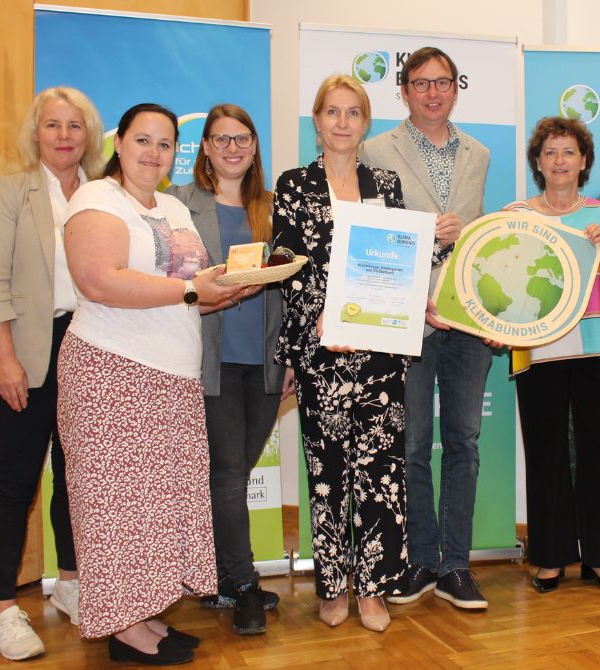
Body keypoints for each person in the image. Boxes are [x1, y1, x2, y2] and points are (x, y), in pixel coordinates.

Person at [57, 103, 243, 665]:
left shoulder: (171, 206)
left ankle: (146, 617)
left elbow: (190, 284)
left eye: (165, 144)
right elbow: (100, 280)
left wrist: (226, 288)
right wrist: (193, 293)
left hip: (170, 379)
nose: (153, 153)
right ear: (119, 143)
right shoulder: (95, 198)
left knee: (157, 509)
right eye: (142, 141)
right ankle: (124, 631)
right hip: (112, 373)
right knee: (116, 510)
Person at [0, 87, 104, 661]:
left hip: (93, 346)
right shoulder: (12, 192)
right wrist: (5, 359)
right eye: (53, 125)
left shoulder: (102, 194)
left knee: (79, 478)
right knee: (14, 481)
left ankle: (72, 584)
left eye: (75, 126)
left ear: (90, 135)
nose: (65, 136)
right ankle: (2, 609)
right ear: (36, 133)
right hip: (28, 346)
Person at [273, 74, 408, 632]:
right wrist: (321, 315)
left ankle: (373, 591)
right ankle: (333, 585)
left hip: (379, 348)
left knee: (380, 472)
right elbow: (285, 260)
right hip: (322, 347)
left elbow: (398, 260)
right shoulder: (293, 184)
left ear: (365, 121)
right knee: (326, 470)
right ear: (317, 121)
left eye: (353, 112)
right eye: (332, 111)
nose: (343, 122)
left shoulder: (386, 183)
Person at [359, 46, 493, 609]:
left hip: (463, 316)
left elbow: (481, 240)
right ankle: (419, 560)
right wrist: (423, 231)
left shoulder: (479, 153)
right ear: (404, 90)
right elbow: (369, 233)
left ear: (455, 88)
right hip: (402, 315)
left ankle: (457, 566)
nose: (432, 92)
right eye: (421, 83)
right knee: (411, 445)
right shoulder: (373, 150)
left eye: (442, 82)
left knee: (463, 441)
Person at [503, 117, 600, 595]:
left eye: (569, 152)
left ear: (584, 161)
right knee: (545, 453)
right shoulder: (515, 214)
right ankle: (550, 557)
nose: (560, 161)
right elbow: (500, 280)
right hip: (536, 348)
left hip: (595, 347)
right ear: (537, 163)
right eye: (550, 152)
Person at [168, 103, 285, 636]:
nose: (233, 148)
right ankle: (242, 584)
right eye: (221, 139)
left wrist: (290, 359)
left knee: (233, 472)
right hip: (208, 363)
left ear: (254, 146)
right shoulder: (179, 205)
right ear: (206, 149)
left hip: (265, 363)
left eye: (242, 138)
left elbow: (292, 290)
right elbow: (173, 281)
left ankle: (223, 574)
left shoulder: (273, 207)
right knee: (229, 475)